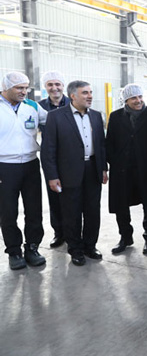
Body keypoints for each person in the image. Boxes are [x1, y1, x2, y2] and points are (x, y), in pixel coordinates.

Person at [41, 80, 108, 266]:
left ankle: (90, 246)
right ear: (73, 96)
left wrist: (103, 168)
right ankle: (75, 249)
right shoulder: (56, 117)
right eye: (85, 93)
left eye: (90, 92)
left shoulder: (96, 116)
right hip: (68, 172)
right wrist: (52, 176)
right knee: (71, 212)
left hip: (92, 169)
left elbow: (101, 145)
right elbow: (48, 149)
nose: (90, 96)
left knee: (92, 211)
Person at [105, 84, 147, 255]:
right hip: (122, 170)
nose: (138, 101)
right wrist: (114, 162)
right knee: (121, 205)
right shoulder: (115, 116)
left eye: (140, 97)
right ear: (126, 100)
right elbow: (109, 142)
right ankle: (125, 237)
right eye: (133, 98)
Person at [0, 72, 47, 270]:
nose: (24, 92)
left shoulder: (32, 106)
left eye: (26, 87)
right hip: (4, 166)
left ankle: (32, 247)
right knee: (7, 212)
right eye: (19, 87)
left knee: (34, 209)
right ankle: (14, 251)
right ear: (5, 87)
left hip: (30, 164)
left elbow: (53, 122)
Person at [39, 71, 70, 248]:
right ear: (45, 87)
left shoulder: (73, 103)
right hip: (50, 158)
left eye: (57, 84)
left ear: (63, 86)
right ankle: (59, 233)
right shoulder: (39, 107)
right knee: (54, 196)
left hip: (72, 157)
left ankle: (74, 231)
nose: (54, 88)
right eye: (50, 84)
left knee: (74, 196)